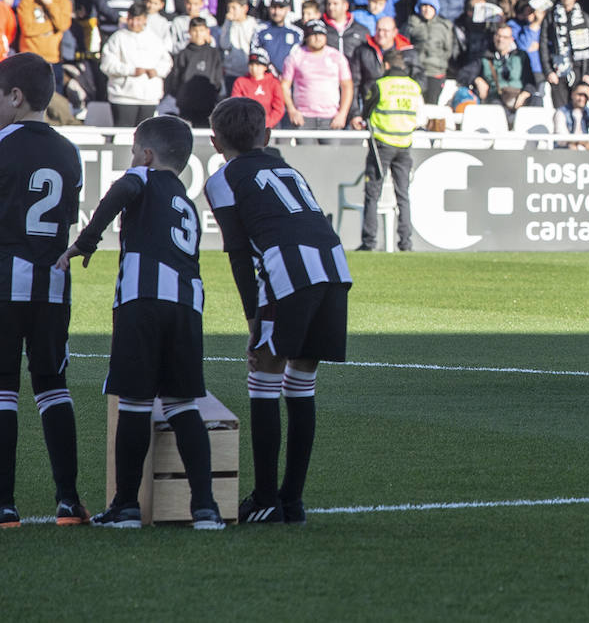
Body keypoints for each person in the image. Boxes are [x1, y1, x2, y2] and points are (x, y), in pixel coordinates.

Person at [56, 116, 224, 530]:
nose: (132, 160)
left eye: (134, 152)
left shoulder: (141, 178)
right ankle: (205, 508)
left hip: (142, 300)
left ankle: (126, 507)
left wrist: (85, 242)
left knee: (133, 403)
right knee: (183, 405)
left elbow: (125, 188)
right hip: (187, 306)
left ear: (147, 156)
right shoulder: (185, 200)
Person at [205, 96, 352, 525]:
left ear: (215, 142)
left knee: (264, 378)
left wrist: (253, 319)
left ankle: (267, 498)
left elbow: (236, 252)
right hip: (332, 266)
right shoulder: (288, 167)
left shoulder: (222, 179)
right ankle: (292, 502)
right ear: (266, 136)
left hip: (288, 272)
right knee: (302, 382)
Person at [0, 53, 88, 528]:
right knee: (53, 387)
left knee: (2, 391)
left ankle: (4, 505)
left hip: (3, 281)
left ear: (15, 96)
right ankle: (68, 500)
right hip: (52, 285)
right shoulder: (68, 150)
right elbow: (67, 219)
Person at [358, 49, 422, 253]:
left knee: (372, 194)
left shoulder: (381, 85)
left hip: (382, 146)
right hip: (404, 145)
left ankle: (369, 242)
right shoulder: (413, 86)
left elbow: (366, 111)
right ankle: (406, 243)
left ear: (386, 65)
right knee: (403, 195)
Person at [100, 3, 172, 127]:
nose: (134, 23)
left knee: (146, 136)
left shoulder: (154, 39)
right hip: (123, 96)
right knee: (122, 136)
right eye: (131, 19)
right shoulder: (117, 38)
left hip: (149, 97)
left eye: (138, 19)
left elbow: (167, 62)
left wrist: (157, 71)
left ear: (144, 19)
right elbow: (106, 64)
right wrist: (131, 70)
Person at [281, 19, 353, 135]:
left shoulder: (336, 56)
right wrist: (292, 110)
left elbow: (347, 86)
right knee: (304, 153)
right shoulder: (295, 56)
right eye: (313, 34)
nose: (317, 38)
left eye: (321, 34)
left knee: (333, 153)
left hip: (331, 118)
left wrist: (342, 114)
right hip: (303, 118)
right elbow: (284, 85)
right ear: (306, 37)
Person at [543, 0, 589, 108]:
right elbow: (544, 45)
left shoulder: (584, 17)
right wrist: (548, 71)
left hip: (580, 68)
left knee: (579, 109)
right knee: (561, 110)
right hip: (559, 69)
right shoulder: (551, 17)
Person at [15, 0, 72, 88]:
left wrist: (50, 4)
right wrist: (54, 26)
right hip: (31, 58)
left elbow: (64, 25)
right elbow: (28, 29)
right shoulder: (27, 1)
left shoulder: (63, 2)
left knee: (56, 101)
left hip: (54, 60)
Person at [166, 18, 224, 127]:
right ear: (189, 32)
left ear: (207, 32)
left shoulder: (213, 53)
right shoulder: (183, 54)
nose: (198, 34)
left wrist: (213, 94)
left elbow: (217, 78)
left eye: (201, 30)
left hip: (207, 104)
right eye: (194, 31)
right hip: (186, 105)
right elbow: (176, 79)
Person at [473, 23, 536, 118]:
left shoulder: (521, 56)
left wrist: (525, 93)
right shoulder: (485, 56)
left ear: (511, 39)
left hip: (518, 96)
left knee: (536, 101)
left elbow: (530, 80)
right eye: (498, 36)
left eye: (505, 37)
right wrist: (477, 79)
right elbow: (465, 74)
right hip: (496, 97)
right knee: (496, 109)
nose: (500, 40)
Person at [405, 0, 453, 103]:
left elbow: (448, 50)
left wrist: (440, 63)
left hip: (436, 72)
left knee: (432, 105)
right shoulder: (412, 23)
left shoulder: (444, 26)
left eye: (430, 6)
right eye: (424, 6)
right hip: (416, 71)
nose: (427, 9)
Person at [232, 48, 285, 129]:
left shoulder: (274, 83)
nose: (254, 68)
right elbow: (236, 105)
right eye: (251, 64)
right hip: (246, 127)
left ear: (265, 67)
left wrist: (266, 123)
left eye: (258, 65)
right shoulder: (240, 82)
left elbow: (279, 108)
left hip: (269, 127)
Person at [254, 0, 304, 75]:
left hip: (290, 79)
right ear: (269, 8)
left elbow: (300, 58)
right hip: (267, 78)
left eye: (281, 8)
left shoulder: (297, 33)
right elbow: (255, 54)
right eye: (273, 7)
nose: (276, 12)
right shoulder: (260, 30)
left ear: (288, 9)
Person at [554, 83, 589, 150]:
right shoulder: (561, 112)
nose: (582, 98)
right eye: (579, 94)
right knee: (572, 147)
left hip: (587, 152)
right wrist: (583, 143)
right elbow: (561, 138)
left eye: (586, 95)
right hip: (566, 151)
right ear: (572, 94)